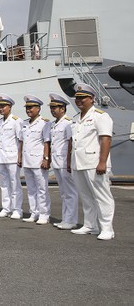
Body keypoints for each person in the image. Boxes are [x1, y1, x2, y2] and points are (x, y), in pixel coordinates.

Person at [70, 83, 115, 240]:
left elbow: (105, 139)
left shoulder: (100, 116)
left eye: (83, 98)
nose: (79, 101)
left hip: (94, 163)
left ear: (92, 99)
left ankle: (107, 228)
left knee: (102, 196)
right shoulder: (76, 119)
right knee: (87, 196)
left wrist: (102, 162)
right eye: (77, 98)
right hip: (79, 163)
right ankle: (90, 225)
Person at [20, 95, 52, 224]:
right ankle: (34, 212)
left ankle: (44, 214)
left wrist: (46, 158)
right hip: (27, 161)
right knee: (31, 189)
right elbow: (22, 142)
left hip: (38, 161)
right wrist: (20, 157)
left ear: (38, 108)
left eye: (31, 107)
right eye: (27, 107)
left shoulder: (44, 123)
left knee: (42, 189)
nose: (28, 110)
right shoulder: (24, 123)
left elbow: (46, 142)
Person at [48, 93, 78, 230]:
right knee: (64, 192)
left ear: (63, 108)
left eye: (55, 107)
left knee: (70, 192)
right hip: (57, 162)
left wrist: (68, 162)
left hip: (64, 162)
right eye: (52, 108)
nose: (53, 110)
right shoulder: (54, 124)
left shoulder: (68, 123)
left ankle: (71, 220)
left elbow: (70, 143)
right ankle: (66, 218)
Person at [0, 94, 24, 219]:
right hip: (3, 157)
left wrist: (20, 157)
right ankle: (6, 208)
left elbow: (21, 140)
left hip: (12, 157)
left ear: (10, 107)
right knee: (4, 184)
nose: (1, 109)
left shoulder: (17, 121)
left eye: (3, 106)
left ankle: (17, 209)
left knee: (14, 183)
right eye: (0, 106)